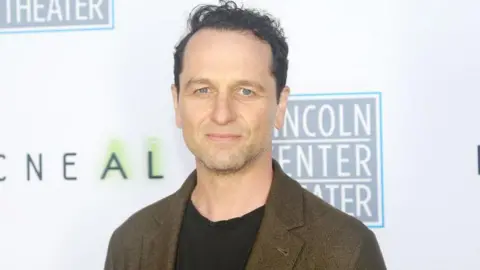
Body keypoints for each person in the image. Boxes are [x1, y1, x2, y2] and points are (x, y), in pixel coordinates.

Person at [104, 1, 387, 269]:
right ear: (177, 104)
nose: (222, 114)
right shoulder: (131, 244)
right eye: (203, 90)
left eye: (246, 91)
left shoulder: (344, 250)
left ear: (280, 106)